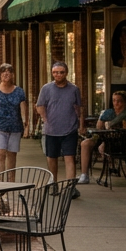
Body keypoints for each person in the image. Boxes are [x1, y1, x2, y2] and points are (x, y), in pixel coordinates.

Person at [36, 61, 85, 197]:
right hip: (51, 130)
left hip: (70, 129)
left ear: (66, 73)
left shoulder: (74, 89)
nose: (58, 75)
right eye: (55, 72)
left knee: (70, 157)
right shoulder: (46, 88)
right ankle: (54, 184)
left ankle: (70, 187)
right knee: (52, 158)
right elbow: (40, 106)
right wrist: (45, 120)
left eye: (61, 72)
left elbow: (79, 108)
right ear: (52, 73)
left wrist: (81, 125)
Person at [0, 63, 28, 178]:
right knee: (0, 153)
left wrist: (26, 126)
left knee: (12, 155)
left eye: (9, 71)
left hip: (15, 127)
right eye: (3, 71)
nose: (6, 73)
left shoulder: (19, 91)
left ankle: (10, 182)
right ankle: (0, 182)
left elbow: (23, 109)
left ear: (13, 74)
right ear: (0, 75)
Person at [79, 91, 126, 184]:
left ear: (125, 102)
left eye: (119, 101)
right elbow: (99, 128)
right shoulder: (108, 112)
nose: (116, 103)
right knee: (85, 143)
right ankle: (84, 175)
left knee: (104, 145)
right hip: (103, 138)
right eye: (114, 100)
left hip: (120, 142)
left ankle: (109, 163)